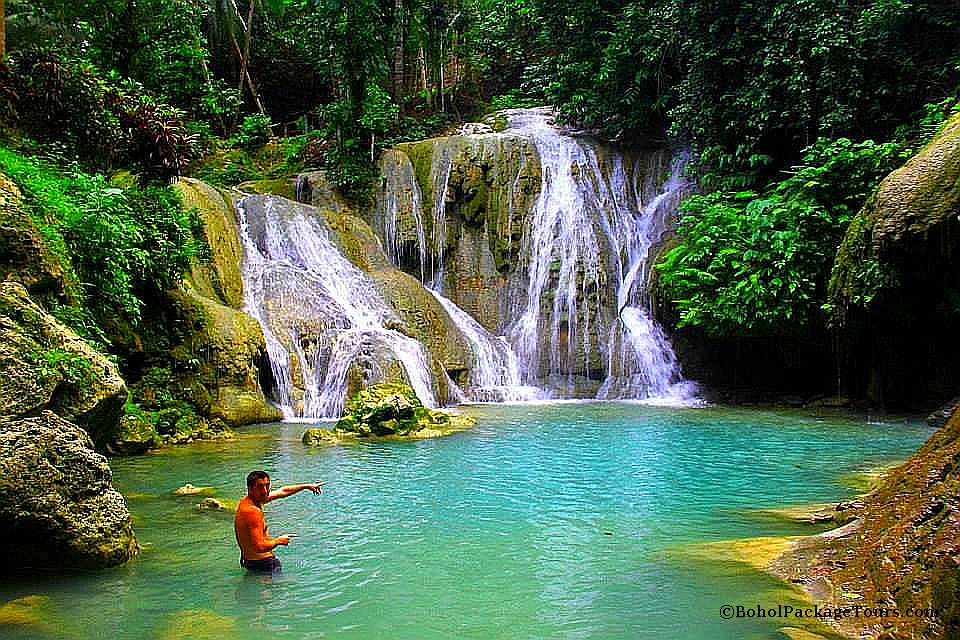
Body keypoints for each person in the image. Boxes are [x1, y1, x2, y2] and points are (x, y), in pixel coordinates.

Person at [235, 470, 323, 573]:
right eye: (260, 487)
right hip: (264, 564)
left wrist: (306, 486)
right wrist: (279, 541)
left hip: (248, 561)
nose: (265, 491)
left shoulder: (249, 501)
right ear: (250, 488)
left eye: (267, 486)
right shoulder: (253, 512)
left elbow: (283, 491)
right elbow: (259, 546)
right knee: (279, 587)